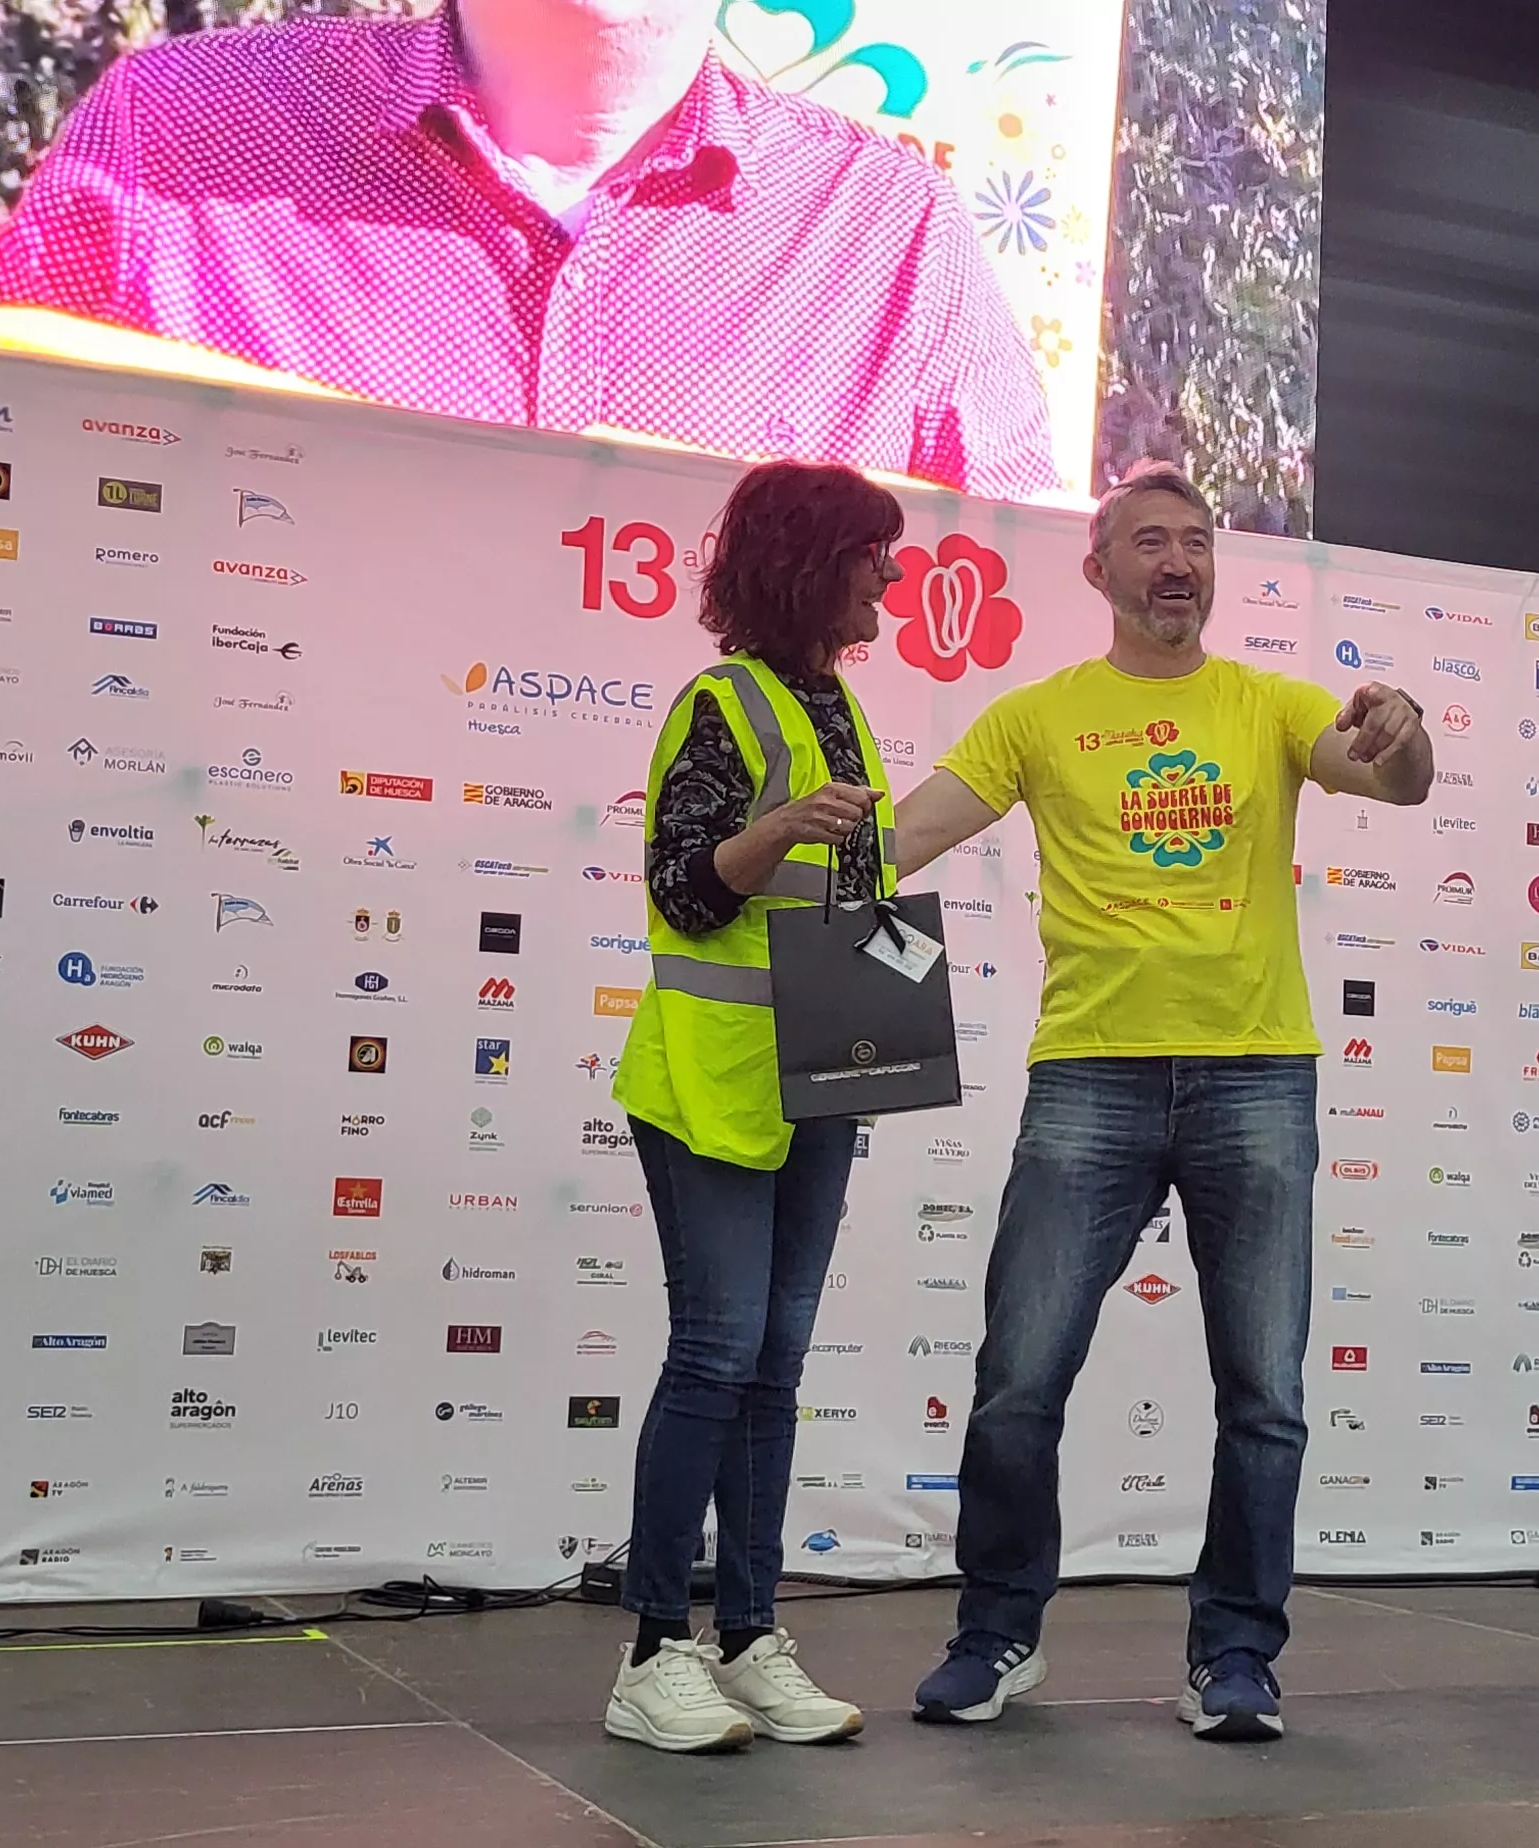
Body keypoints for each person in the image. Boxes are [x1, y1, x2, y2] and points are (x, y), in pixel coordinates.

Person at [883, 463, 1432, 1744]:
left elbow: (1395, 780)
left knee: (1265, 1394)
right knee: (1019, 1379)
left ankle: (1235, 1656)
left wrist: (1406, 740)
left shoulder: (1272, 705)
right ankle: (994, 1634)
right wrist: (765, 839)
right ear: (1099, 570)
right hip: (1091, 1076)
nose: (1177, 562)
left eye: (1195, 542)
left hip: (1257, 1074)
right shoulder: (1036, 718)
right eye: (1148, 543)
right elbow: (900, 845)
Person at [0, 0, 1060, 499]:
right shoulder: (175, 137)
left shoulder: (902, 244)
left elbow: (1042, 675)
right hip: (228, 1017)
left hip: (749, 1048)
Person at [596, 459, 910, 1753]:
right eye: (871, 556)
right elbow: (686, 888)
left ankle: (751, 1635)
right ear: (810, 562)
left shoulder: (837, 703)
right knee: (718, 1357)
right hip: (710, 1087)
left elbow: (852, 909)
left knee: (773, 1371)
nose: (892, 577)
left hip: (820, 1083)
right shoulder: (722, 703)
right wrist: (778, 828)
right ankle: (654, 1647)